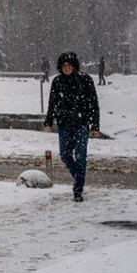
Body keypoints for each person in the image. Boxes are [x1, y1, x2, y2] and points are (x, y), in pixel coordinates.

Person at [43, 51, 100, 202]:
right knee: (65, 155)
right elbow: (52, 103)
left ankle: (78, 190)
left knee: (81, 156)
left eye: (69, 65)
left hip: (81, 124)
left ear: (74, 66)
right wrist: (48, 122)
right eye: (63, 66)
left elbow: (93, 103)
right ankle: (79, 178)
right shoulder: (57, 82)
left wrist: (95, 126)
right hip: (64, 124)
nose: (66, 68)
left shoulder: (85, 80)